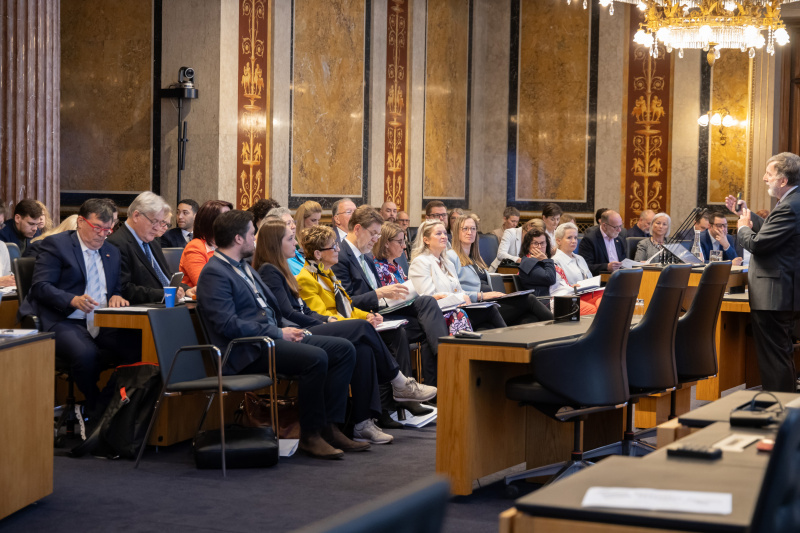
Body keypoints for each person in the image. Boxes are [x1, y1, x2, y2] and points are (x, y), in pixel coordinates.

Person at [198, 210, 359, 459]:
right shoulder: (215, 272)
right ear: (238, 239)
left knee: (343, 349)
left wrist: (289, 329)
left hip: (270, 338)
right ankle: (310, 435)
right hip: (248, 349)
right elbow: (228, 324)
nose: (255, 239)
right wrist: (277, 332)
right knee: (316, 358)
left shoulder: (243, 267)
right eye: (252, 233)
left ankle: (331, 427)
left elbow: (270, 310)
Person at [293, 224, 438, 435]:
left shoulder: (327, 273)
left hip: (345, 327)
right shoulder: (306, 279)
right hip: (328, 331)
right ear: (318, 254)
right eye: (333, 247)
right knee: (363, 333)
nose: (338, 249)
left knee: (371, 346)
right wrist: (357, 321)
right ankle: (400, 383)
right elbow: (322, 315)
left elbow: (348, 306)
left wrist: (368, 316)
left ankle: (365, 422)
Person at [18, 199, 141, 412]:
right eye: (97, 228)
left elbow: (115, 287)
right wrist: (71, 300)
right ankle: (95, 409)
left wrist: (116, 296)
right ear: (81, 222)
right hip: (64, 319)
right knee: (86, 355)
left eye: (108, 230)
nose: (102, 234)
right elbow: (40, 287)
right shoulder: (57, 245)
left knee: (139, 347)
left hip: (102, 320)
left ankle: (110, 403)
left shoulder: (112, 251)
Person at [332, 206, 450, 386]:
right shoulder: (341, 256)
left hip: (384, 309)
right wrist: (379, 293)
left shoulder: (366, 256)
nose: (376, 239)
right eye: (373, 234)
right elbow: (345, 303)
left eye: (378, 234)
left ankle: (436, 385)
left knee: (427, 305)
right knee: (412, 330)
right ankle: (417, 385)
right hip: (365, 316)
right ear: (357, 229)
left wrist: (396, 295)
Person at [725, 152, 800, 392]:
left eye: (769, 174)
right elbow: (772, 231)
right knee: (779, 355)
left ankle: (779, 408)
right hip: (782, 292)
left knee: (774, 358)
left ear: (783, 180)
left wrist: (742, 228)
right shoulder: (793, 202)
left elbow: (758, 245)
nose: (764, 178)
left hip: (774, 294)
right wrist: (746, 215)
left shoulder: (790, 206)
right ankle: (784, 406)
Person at [448, 214, 552, 325]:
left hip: (491, 302)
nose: (470, 232)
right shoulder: (451, 257)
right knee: (529, 299)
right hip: (476, 306)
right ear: (457, 231)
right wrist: (482, 296)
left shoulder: (476, 258)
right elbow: (452, 292)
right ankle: (558, 324)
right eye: (465, 229)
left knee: (529, 317)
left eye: (473, 229)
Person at [409, 220, 506, 330]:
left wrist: (462, 298)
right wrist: (460, 298)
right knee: (490, 311)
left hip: (456, 308)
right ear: (426, 240)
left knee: (486, 325)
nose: (444, 237)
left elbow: (459, 291)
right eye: (438, 233)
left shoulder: (447, 263)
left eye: (445, 233)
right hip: (441, 314)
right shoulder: (421, 262)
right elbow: (429, 299)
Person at [106, 191, 187, 304]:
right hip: (144, 309)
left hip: (166, 305)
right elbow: (124, 289)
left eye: (161, 222)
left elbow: (165, 277)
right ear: (136, 216)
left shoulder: (152, 242)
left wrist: (186, 290)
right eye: (154, 221)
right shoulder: (116, 244)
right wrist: (163, 294)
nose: (157, 228)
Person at [179, 200, 232, 287]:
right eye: (226, 216)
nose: (232, 221)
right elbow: (205, 284)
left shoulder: (229, 245)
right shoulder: (195, 247)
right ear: (211, 220)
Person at [552, 222, 602, 314]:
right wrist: (571, 288)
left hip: (586, 295)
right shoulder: (555, 261)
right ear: (558, 241)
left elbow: (590, 279)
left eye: (575, 237)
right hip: (568, 298)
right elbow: (557, 289)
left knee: (606, 302)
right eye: (569, 238)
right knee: (595, 310)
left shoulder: (580, 258)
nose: (574, 241)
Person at [578, 209, 626, 275]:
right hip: (601, 278)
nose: (619, 230)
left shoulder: (619, 239)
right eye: (616, 227)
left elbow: (624, 261)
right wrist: (606, 267)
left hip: (620, 276)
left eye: (620, 226)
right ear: (604, 226)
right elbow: (585, 267)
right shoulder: (590, 240)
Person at [517, 229, 556, 297]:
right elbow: (550, 278)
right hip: (542, 301)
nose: (539, 247)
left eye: (542, 243)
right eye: (535, 243)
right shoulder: (527, 262)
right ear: (528, 246)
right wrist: (546, 260)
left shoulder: (544, 262)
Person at [268, 206, 306, 275]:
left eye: (293, 222)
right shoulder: (279, 258)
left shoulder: (295, 251)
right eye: (288, 223)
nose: (294, 226)